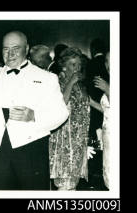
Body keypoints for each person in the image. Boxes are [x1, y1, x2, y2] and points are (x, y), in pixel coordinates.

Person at [0, 31, 69, 190]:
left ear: (27, 48)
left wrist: (34, 116)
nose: (10, 54)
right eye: (5, 49)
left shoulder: (46, 77)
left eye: (16, 48)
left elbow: (62, 113)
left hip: (31, 150)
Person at [49, 47, 90, 190]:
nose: (77, 68)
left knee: (72, 183)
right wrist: (71, 83)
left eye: (79, 65)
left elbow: (87, 103)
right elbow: (60, 105)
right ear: (64, 66)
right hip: (64, 140)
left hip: (78, 139)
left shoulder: (79, 84)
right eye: (73, 64)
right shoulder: (57, 81)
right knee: (64, 183)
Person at [85, 38, 109, 190]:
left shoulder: (92, 65)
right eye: (106, 61)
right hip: (105, 129)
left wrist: (108, 89)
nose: (108, 65)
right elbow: (108, 109)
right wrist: (90, 102)